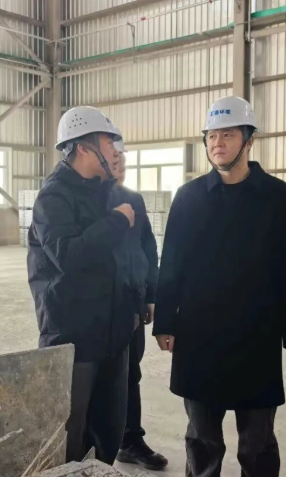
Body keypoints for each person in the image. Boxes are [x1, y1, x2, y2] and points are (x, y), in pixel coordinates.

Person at [153, 96, 286, 477]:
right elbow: (171, 264)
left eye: (227, 135)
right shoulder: (189, 198)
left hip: (256, 336)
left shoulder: (279, 197)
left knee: (257, 442)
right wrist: (165, 322)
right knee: (202, 438)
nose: (217, 143)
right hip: (199, 336)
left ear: (249, 140)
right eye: (211, 136)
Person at [27, 106, 135, 464]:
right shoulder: (53, 198)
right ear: (83, 147)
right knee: (68, 436)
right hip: (73, 338)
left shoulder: (105, 193)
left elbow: (125, 260)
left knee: (108, 429)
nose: (115, 151)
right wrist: (116, 222)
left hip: (113, 334)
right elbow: (69, 257)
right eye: (108, 142)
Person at [109, 140, 169, 471]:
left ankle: (130, 440)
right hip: (99, 308)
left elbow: (148, 248)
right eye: (112, 158)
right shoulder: (85, 200)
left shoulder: (134, 199)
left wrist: (150, 295)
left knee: (130, 373)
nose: (119, 164)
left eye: (122, 159)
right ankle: (90, 445)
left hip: (132, 302)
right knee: (97, 377)